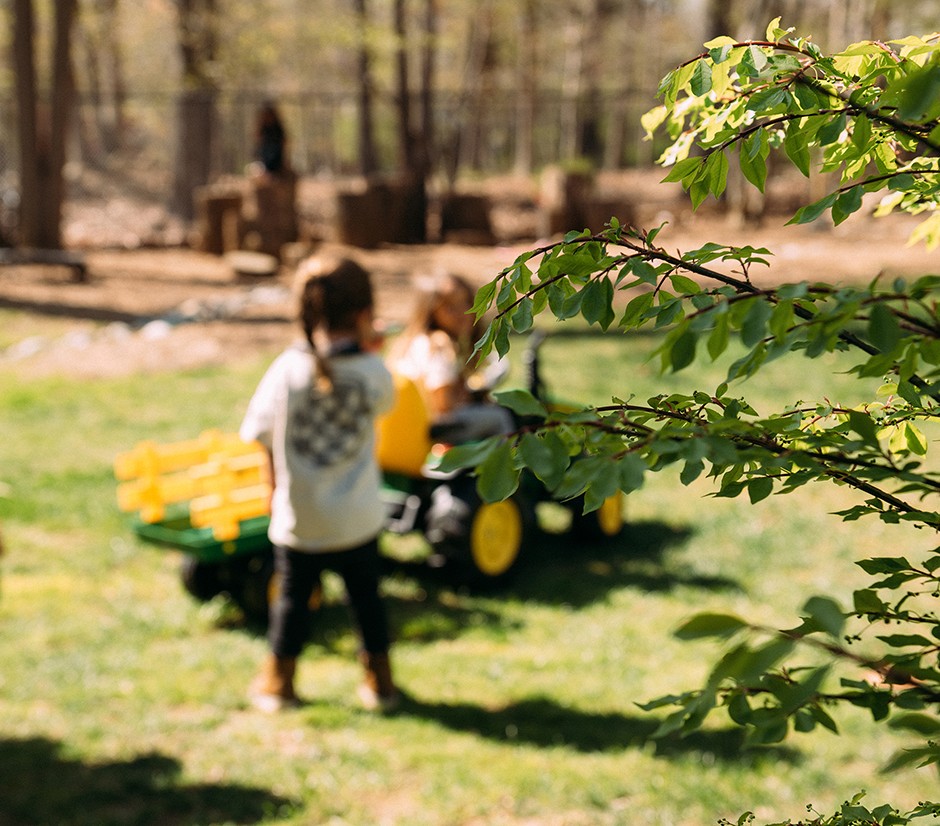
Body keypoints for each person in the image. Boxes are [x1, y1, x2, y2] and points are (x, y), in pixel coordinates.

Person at [240, 254, 398, 713]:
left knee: (291, 603)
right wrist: (374, 349)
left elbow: (259, 434)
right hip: (357, 517)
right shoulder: (372, 372)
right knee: (367, 602)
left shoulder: (285, 371)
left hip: (300, 516)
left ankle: (279, 686)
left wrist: (272, 487)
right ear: (365, 313)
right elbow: (387, 401)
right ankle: (380, 686)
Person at [388, 271, 513, 443]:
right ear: (432, 311)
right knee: (499, 417)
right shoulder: (438, 344)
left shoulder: (413, 341)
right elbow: (443, 406)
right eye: (450, 307)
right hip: (430, 429)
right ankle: (508, 466)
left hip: (405, 429)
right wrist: (469, 396)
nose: (463, 312)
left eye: (467, 303)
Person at [253, 101, 288, 176]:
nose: (268, 118)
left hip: (277, 155)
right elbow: (257, 139)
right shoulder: (263, 129)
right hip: (265, 155)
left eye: (269, 115)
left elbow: (284, 141)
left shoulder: (278, 129)